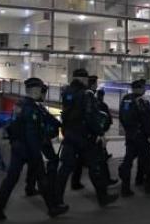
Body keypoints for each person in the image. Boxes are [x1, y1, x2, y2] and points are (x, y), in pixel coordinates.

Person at [0, 78, 69, 220]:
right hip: (29, 148)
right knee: (42, 178)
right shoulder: (30, 109)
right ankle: (52, 208)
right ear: (36, 90)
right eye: (40, 89)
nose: (42, 92)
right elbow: (31, 134)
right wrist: (36, 154)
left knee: (11, 179)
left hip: (18, 148)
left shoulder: (21, 105)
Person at [55, 68, 117, 207]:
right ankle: (103, 198)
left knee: (64, 169)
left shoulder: (66, 92)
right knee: (95, 166)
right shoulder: (86, 94)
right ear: (83, 79)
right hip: (85, 137)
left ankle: (56, 201)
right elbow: (90, 116)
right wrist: (100, 133)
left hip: (70, 134)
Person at [117, 79, 150, 197]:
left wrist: (128, 130)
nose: (145, 89)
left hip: (130, 135)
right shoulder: (142, 101)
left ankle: (125, 188)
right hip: (141, 136)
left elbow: (121, 116)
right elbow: (146, 121)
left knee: (128, 161)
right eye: (143, 87)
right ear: (140, 88)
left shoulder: (125, 99)